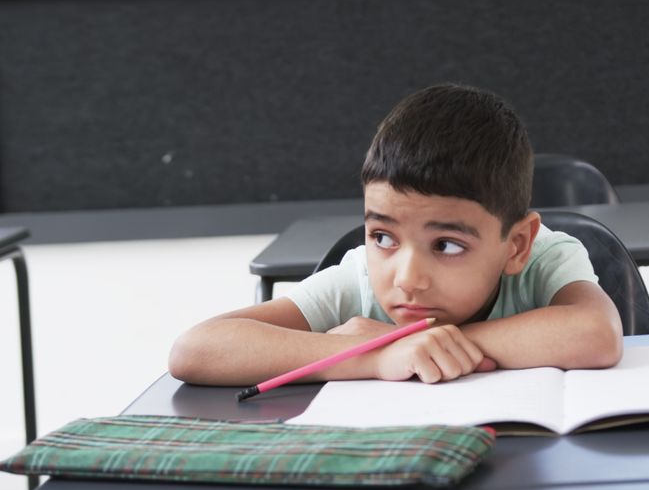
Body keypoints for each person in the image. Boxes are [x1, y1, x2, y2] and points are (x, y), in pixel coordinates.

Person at [169, 83, 623, 386]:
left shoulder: (545, 259)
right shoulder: (359, 279)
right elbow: (195, 350)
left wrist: (408, 344)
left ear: (517, 245)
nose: (407, 278)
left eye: (446, 245)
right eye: (383, 237)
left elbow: (595, 333)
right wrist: (374, 357)